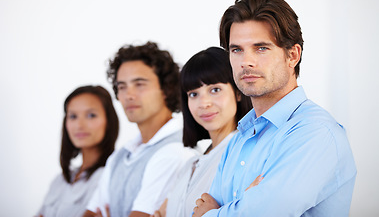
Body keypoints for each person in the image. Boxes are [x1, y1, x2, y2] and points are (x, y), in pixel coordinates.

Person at [193, 0, 357, 217]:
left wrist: (212, 214)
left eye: (261, 48)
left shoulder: (316, 133)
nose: (246, 62)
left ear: (293, 55)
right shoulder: (240, 137)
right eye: (236, 50)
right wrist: (240, 207)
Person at [84, 41, 196, 217]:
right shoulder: (119, 156)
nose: (129, 95)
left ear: (166, 88)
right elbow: (89, 213)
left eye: (139, 84)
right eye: (122, 87)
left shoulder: (176, 150)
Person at [151, 47, 252, 217]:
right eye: (193, 94)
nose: (203, 103)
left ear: (238, 92)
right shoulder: (190, 164)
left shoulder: (245, 154)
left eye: (215, 90)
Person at [36, 85, 119, 217]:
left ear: (109, 121)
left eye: (91, 115)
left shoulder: (112, 177)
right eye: (73, 116)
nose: (79, 125)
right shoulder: (60, 180)